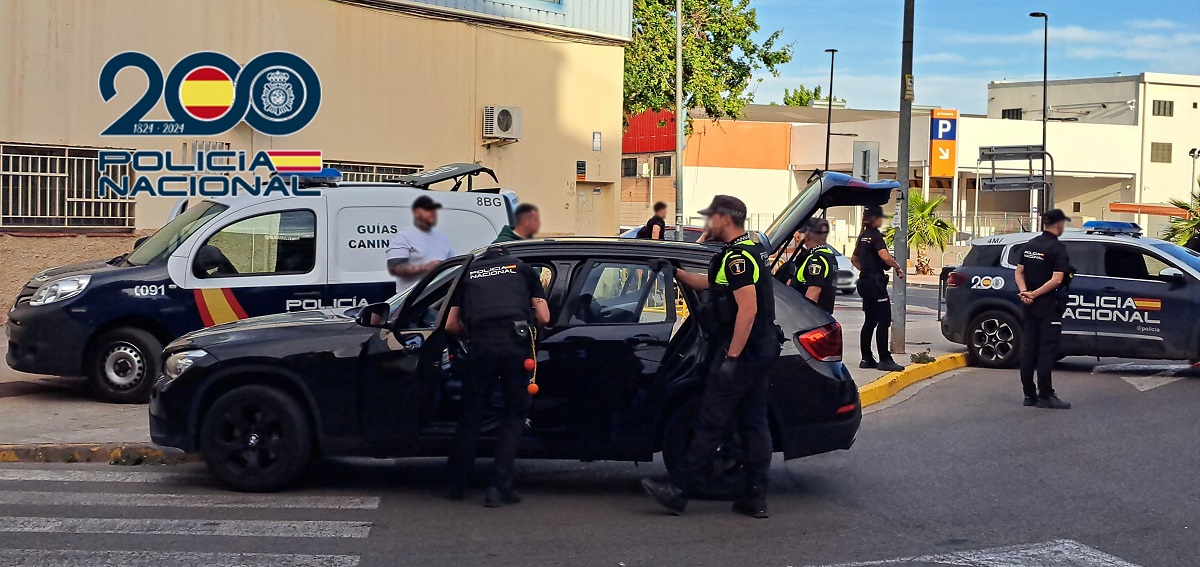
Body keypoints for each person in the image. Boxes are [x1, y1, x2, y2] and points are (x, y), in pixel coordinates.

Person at [641, 195, 782, 519]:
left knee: (710, 421)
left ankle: (679, 492)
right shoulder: (741, 254)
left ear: (725, 218)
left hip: (743, 352)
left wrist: (731, 359)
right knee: (753, 422)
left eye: (712, 218)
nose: (708, 224)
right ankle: (755, 497)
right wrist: (676, 272)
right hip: (758, 351)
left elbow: (748, 309)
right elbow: (712, 285)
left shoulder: (739, 259)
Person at [444, 246, 551, 506]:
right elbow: (544, 316)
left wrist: (472, 336)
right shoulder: (523, 269)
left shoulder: (467, 273)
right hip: (515, 347)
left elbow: (449, 324)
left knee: (472, 414)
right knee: (514, 415)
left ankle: (456, 484)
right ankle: (498, 487)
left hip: (481, 347)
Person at [1014, 209, 1073, 410]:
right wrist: (1035, 294)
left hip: (1028, 306)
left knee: (1029, 348)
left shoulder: (1030, 245)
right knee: (1046, 351)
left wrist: (1025, 292)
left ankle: (1029, 394)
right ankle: (1046, 394)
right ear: (1058, 225)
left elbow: (1019, 272)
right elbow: (1057, 279)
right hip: (1048, 306)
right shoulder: (1057, 249)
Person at [851, 205, 905, 372]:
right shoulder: (875, 236)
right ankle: (884, 359)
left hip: (864, 282)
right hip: (875, 284)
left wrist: (866, 270)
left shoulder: (863, 236)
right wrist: (897, 267)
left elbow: (854, 259)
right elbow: (884, 256)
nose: (882, 220)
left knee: (870, 320)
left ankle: (866, 357)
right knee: (883, 320)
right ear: (875, 219)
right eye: (880, 217)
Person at [386, 196, 455, 293]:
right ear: (416, 213)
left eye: (434, 210)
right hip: (413, 300)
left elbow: (453, 267)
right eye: (428, 210)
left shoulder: (442, 237)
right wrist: (427, 268)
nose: (433, 213)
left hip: (438, 298)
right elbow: (395, 268)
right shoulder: (403, 237)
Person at [796, 218, 836, 314]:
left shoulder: (817, 259)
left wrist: (803, 316)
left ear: (808, 235)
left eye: (803, 233)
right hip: (822, 316)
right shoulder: (828, 255)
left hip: (812, 318)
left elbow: (814, 291)